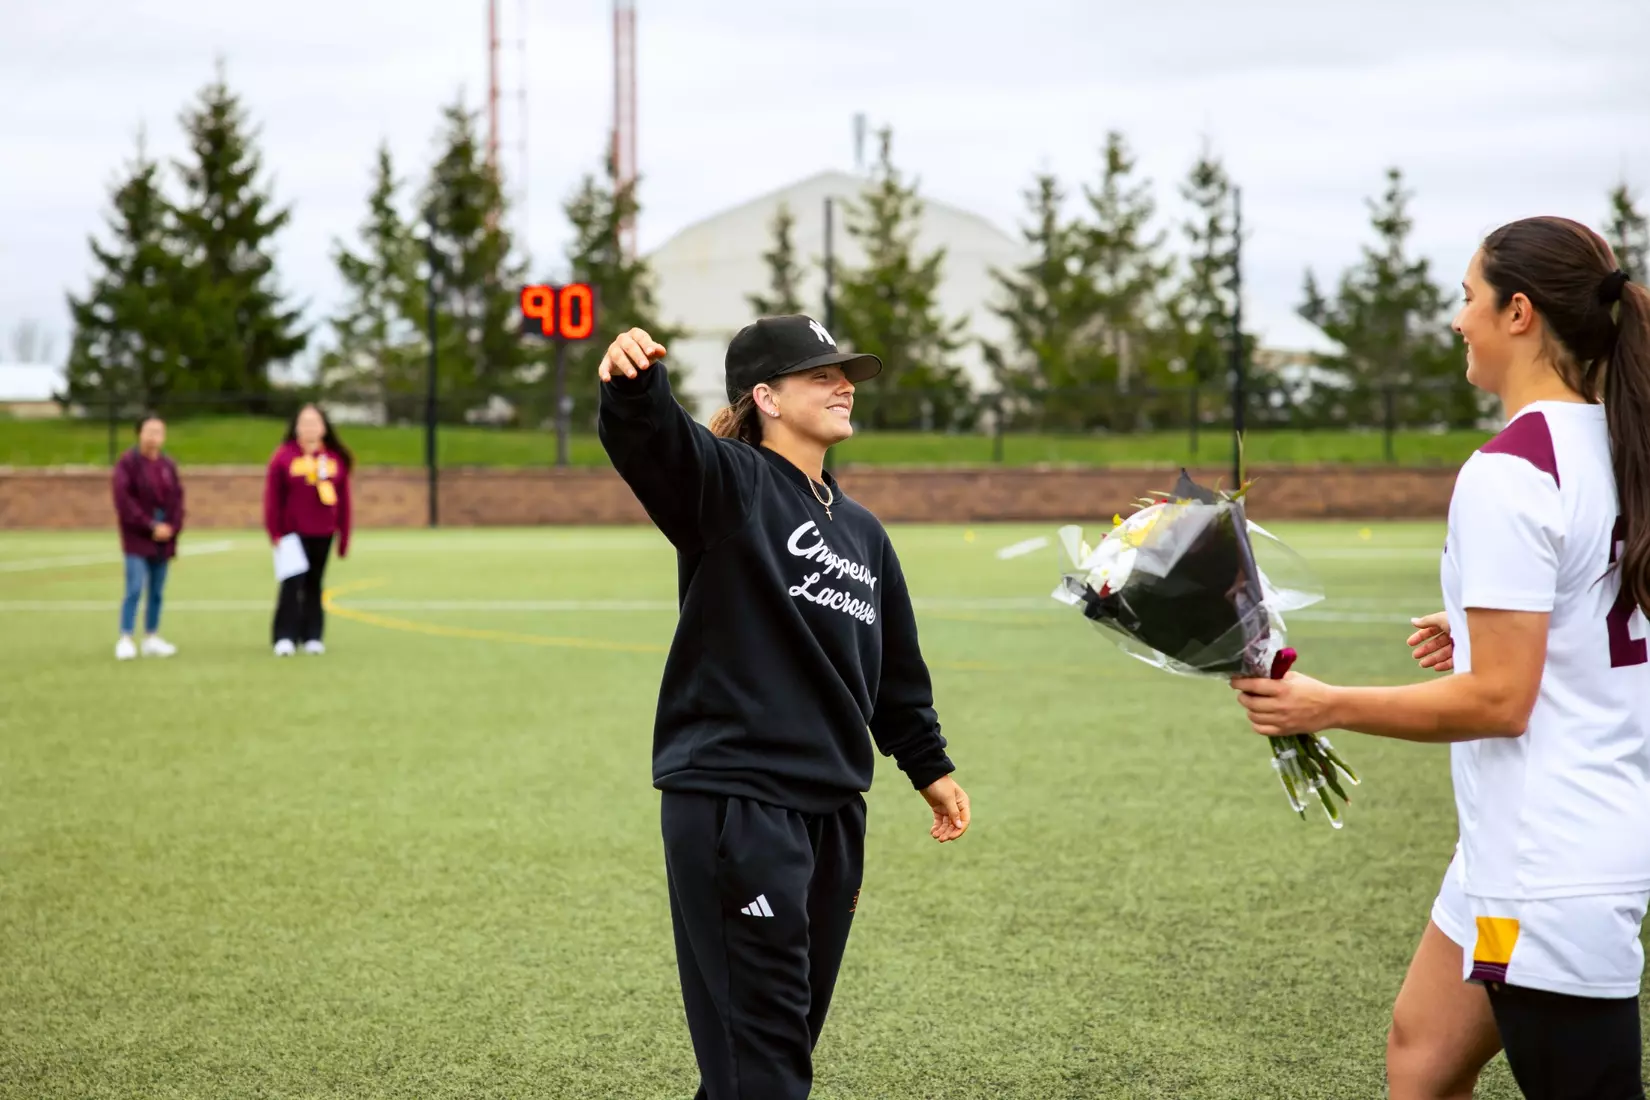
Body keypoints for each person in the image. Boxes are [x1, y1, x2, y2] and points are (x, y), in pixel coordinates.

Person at [1232, 218, 1650, 1100]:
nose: (1459, 319)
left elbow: (1500, 702)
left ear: (1519, 313)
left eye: (1468, 297)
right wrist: (1483, 624)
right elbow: (1600, 611)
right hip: (1531, 851)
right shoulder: (1619, 445)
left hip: (1545, 869)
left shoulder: (1511, 470)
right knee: (1421, 1059)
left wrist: (1325, 704)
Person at [596, 315, 972, 1100]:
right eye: (820, 376)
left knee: (766, 1051)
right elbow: (659, 447)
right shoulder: (729, 485)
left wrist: (929, 766)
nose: (844, 388)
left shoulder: (862, 531)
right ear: (765, 397)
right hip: (739, 802)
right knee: (764, 1064)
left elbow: (895, 670)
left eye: (847, 376)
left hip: (833, 813)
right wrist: (633, 388)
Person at [263, 404, 353, 657]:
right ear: (296, 427)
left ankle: (312, 635)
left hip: (323, 532)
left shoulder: (334, 459)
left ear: (324, 427)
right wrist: (274, 532)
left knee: (315, 584)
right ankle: (285, 636)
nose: (310, 428)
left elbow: (344, 500)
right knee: (291, 584)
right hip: (291, 533)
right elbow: (272, 497)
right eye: (304, 423)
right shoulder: (284, 457)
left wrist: (344, 536)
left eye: (315, 422)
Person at [111, 413, 184, 661]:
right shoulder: (127, 464)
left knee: (157, 590)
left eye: (159, 432)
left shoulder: (168, 466)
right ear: (139, 433)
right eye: (149, 431)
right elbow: (124, 501)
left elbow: (177, 499)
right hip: (137, 537)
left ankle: (151, 636)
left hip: (163, 539)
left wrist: (172, 526)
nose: (154, 437)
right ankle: (126, 637)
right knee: (134, 587)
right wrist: (149, 524)